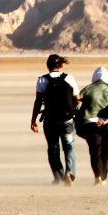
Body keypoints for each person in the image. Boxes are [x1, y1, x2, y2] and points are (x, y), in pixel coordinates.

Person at [30, 54, 80, 185]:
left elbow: (38, 101)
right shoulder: (69, 78)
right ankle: (69, 173)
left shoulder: (42, 80)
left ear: (48, 66)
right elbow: (77, 99)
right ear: (61, 65)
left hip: (50, 119)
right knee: (69, 146)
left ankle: (58, 177)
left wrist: (33, 121)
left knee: (53, 148)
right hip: (67, 119)